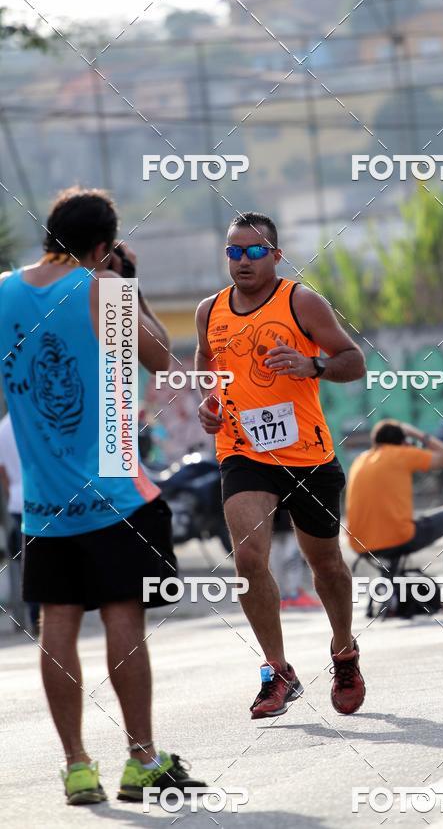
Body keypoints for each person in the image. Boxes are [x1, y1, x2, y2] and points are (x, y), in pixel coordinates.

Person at [0, 187, 206, 805]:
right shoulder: (101, 291)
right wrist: (126, 286)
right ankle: (141, 759)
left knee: (56, 627)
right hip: (115, 493)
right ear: (100, 246)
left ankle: (77, 766)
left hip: (42, 503)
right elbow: (163, 360)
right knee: (123, 618)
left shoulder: (3, 291)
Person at [196, 212, 367, 719]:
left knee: (328, 566)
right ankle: (276, 670)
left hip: (308, 455)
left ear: (276, 254)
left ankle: (344, 652)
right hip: (243, 452)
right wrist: (212, 404)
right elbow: (212, 368)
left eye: (253, 251)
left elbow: (353, 360)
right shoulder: (210, 310)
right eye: (233, 251)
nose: (242, 261)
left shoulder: (301, 301)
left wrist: (312, 364)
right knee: (249, 561)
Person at [346, 419, 443, 612]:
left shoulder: (360, 460)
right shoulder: (402, 454)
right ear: (403, 441)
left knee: (395, 528)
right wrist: (419, 435)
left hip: (359, 544)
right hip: (398, 538)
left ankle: (391, 595)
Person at [0, 411, 40, 632]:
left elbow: (3, 473)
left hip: (18, 501)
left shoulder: (2, 429)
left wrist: (11, 495)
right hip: (41, 495)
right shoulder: (33, 421)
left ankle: (35, 616)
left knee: (29, 560)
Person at [270, 508, 322, 610]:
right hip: (288, 514)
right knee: (291, 554)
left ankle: (284, 595)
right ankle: (292, 594)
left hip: (271, 513)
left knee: (277, 552)